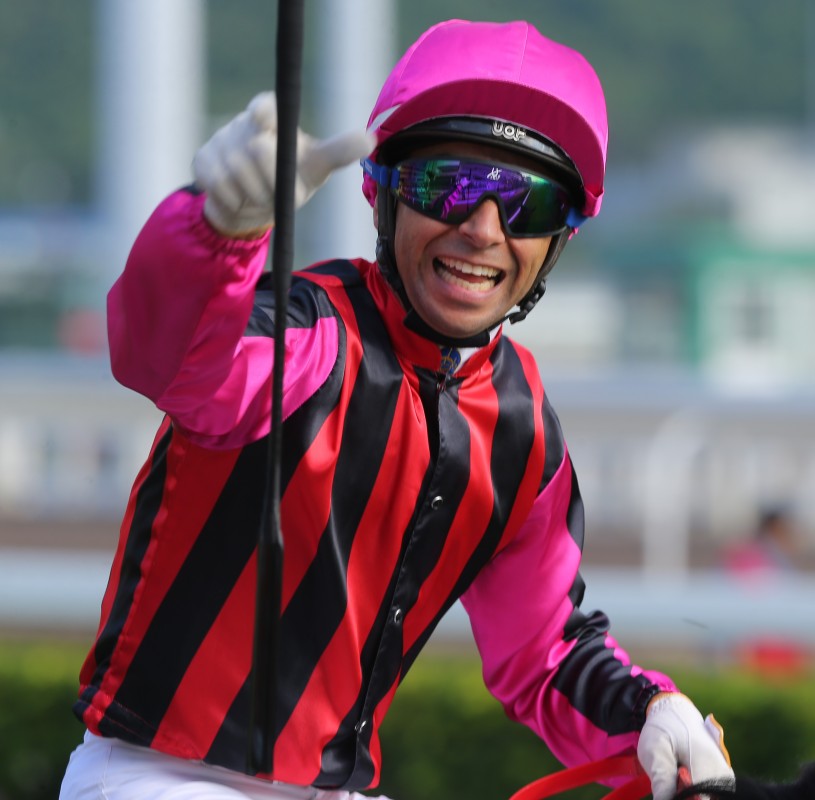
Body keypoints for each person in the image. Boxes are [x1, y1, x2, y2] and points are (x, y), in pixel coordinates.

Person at [59, 19, 733, 800]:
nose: (482, 230)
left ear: (559, 238)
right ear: (381, 193)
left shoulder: (522, 428)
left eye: (526, 201)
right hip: (158, 777)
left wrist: (652, 709)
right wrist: (213, 234)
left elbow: (542, 650)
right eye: (448, 183)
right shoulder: (307, 330)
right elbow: (165, 357)